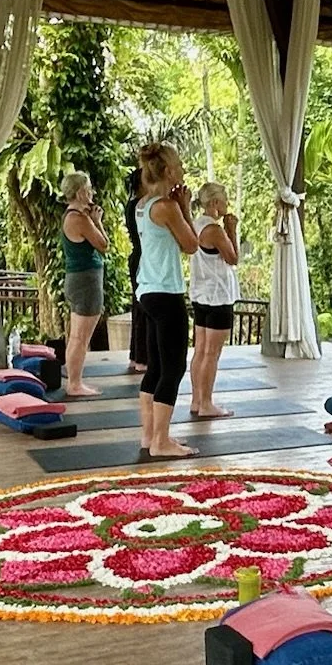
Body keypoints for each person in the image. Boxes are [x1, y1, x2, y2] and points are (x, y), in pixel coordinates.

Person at [133, 143, 201, 459]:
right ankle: (161, 441)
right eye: (180, 166)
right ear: (170, 172)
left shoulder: (142, 205)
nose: (184, 170)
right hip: (166, 293)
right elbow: (191, 245)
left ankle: (150, 437)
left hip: (147, 292)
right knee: (173, 367)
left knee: (156, 366)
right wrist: (185, 206)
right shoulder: (167, 207)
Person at [188, 181, 241, 419]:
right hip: (218, 296)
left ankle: (196, 400)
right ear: (216, 203)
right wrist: (232, 229)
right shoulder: (215, 230)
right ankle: (207, 402)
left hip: (201, 293)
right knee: (211, 353)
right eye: (225, 199)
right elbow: (233, 258)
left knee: (200, 351)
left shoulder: (195, 225)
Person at [58, 172, 109, 400]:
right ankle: (74, 384)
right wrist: (97, 221)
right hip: (85, 280)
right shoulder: (79, 219)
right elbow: (103, 244)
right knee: (80, 337)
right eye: (88, 188)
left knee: (77, 336)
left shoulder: (71, 216)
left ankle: (74, 381)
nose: (92, 192)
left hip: (78, 279)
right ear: (80, 192)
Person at [122, 167, 149, 375]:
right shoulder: (140, 205)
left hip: (137, 256)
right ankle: (141, 357)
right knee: (143, 308)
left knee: (139, 307)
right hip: (142, 256)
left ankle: (135, 355)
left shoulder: (133, 204)